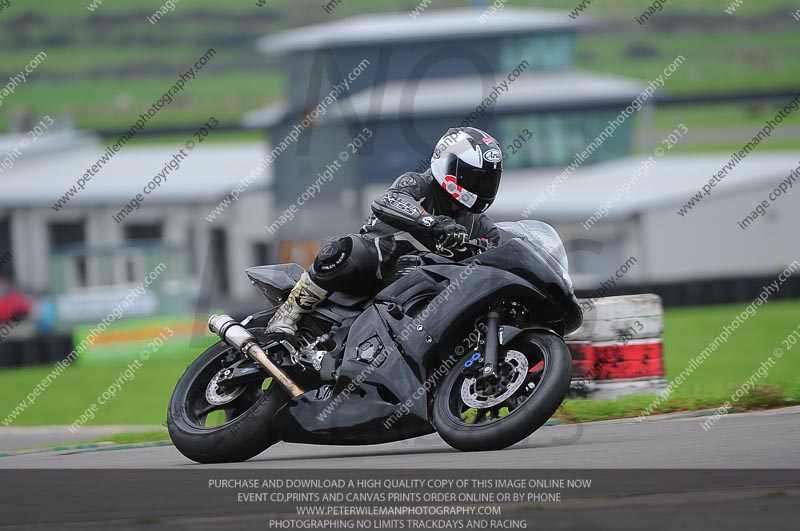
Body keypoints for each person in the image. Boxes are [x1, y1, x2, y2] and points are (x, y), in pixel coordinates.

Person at [266, 126, 504, 335]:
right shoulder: (416, 184)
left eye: (487, 180)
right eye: (476, 179)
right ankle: (290, 311)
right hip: (375, 272)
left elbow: (501, 251)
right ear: (449, 166)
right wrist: (433, 223)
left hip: (428, 295)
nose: (481, 187)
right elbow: (388, 200)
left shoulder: (480, 225)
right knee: (349, 248)